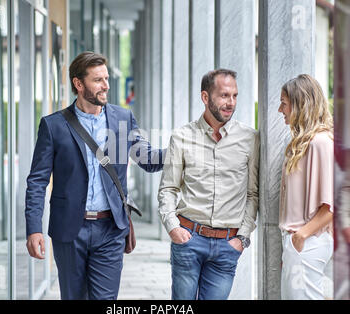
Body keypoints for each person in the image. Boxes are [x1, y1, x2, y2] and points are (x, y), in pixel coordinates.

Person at [25, 51, 164, 300]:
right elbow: (37, 181)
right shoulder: (53, 125)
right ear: (79, 84)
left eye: (106, 78)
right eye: (98, 80)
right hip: (69, 230)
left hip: (110, 228)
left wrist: (184, 150)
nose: (106, 85)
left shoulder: (122, 118)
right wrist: (34, 229)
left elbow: (148, 159)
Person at [158, 69, 259, 300]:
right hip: (189, 239)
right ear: (205, 97)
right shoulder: (182, 137)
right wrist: (173, 227)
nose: (230, 102)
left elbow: (253, 193)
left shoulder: (249, 138)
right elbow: (168, 188)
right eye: (224, 95)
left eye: (234, 96)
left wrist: (242, 237)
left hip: (227, 245)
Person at [278, 74, 334, 300]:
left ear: (301, 105)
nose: (280, 110)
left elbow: (332, 205)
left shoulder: (321, 143)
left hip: (308, 243)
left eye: (284, 103)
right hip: (299, 245)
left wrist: (300, 237)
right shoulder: (303, 143)